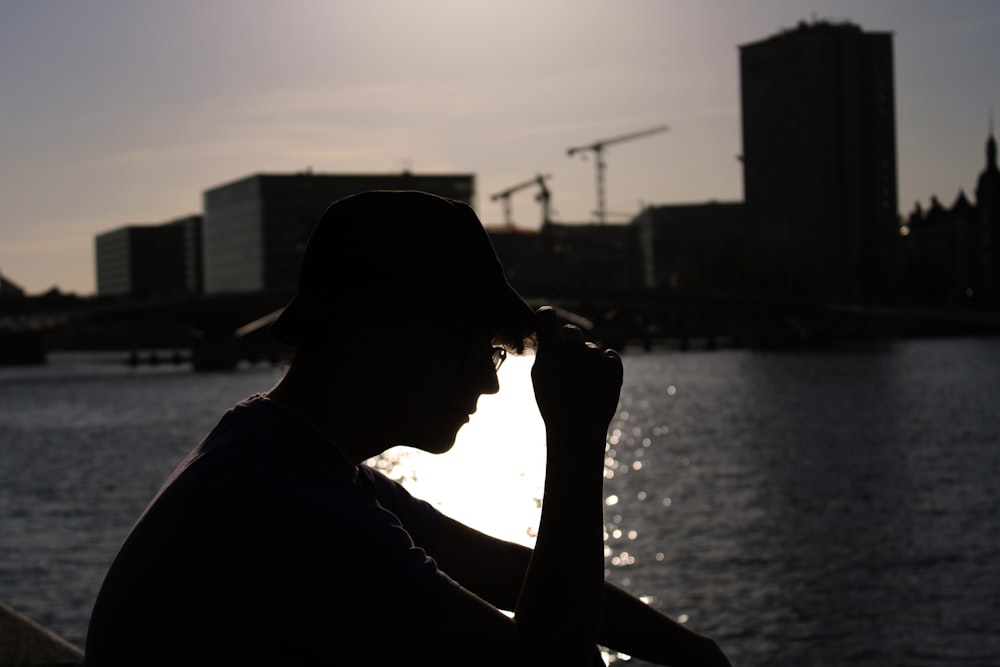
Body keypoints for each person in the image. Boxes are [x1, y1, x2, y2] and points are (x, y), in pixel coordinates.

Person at [85, 190, 731, 666]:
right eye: (474, 346)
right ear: (372, 332)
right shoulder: (288, 506)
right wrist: (579, 435)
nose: (489, 380)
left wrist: (697, 653)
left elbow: (503, 569)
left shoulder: (284, 457)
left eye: (496, 351)